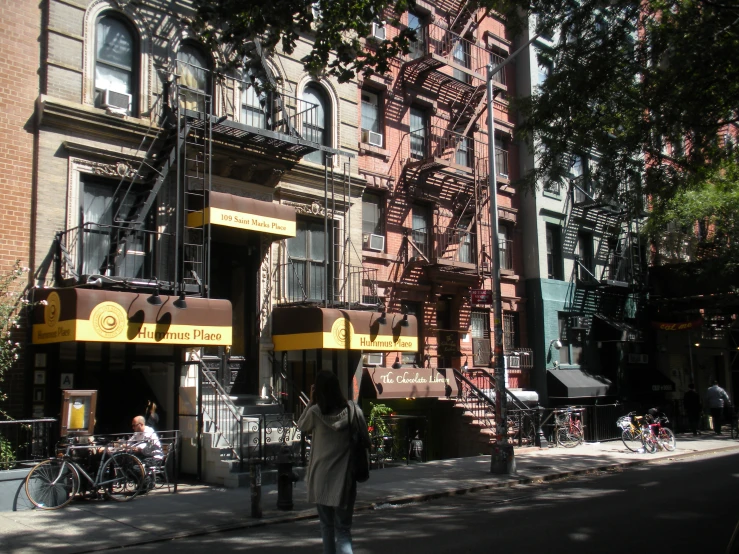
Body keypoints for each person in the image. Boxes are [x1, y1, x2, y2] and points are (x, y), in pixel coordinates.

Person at [297, 371, 370, 554]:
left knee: (326, 527)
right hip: (344, 480)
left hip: (321, 478)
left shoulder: (315, 412)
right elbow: (366, 441)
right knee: (343, 530)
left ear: (318, 391)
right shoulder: (353, 411)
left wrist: (312, 402)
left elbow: (300, 425)